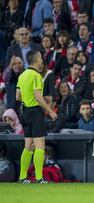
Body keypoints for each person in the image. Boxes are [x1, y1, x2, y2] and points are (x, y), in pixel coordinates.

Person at [16, 50, 57, 184]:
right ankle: (39, 178)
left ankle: (22, 177)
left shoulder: (22, 75)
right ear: (35, 60)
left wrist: (28, 99)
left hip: (25, 112)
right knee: (40, 145)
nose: (42, 60)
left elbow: (18, 96)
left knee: (28, 145)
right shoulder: (36, 75)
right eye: (40, 58)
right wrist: (50, 111)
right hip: (35, 113)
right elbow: (38, 97)